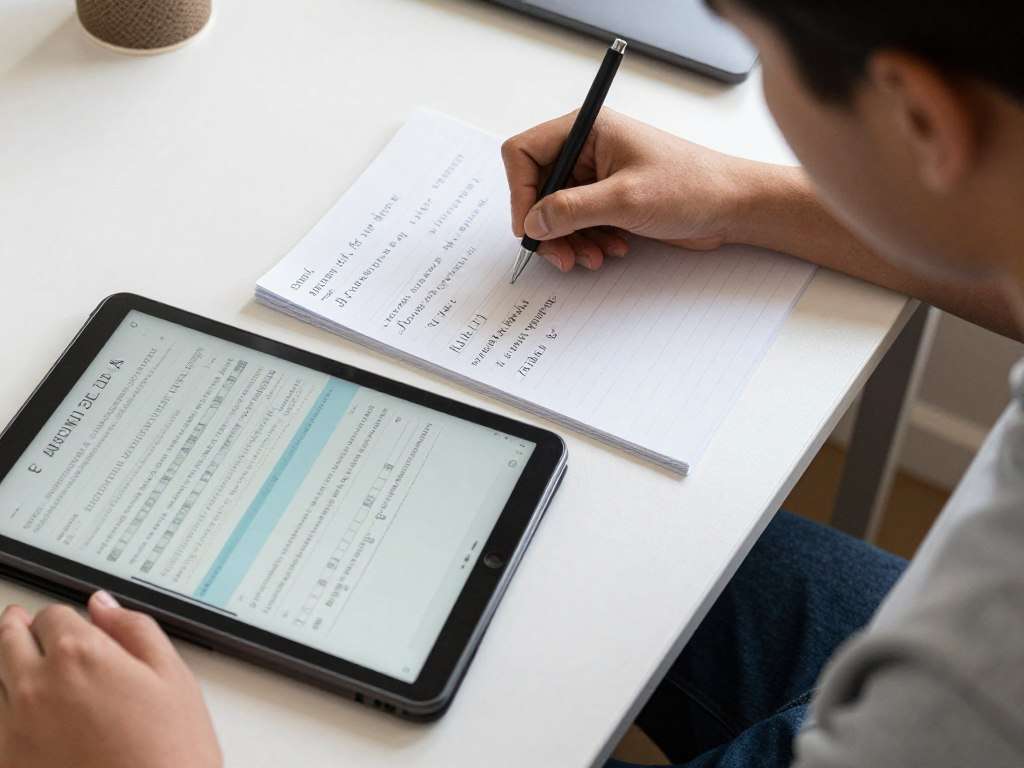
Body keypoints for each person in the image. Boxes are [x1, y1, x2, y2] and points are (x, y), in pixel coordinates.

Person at [2, 1, 1023, 765]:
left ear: (921, 118)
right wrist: (741, 197)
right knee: (627, 553)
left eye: (761, 57)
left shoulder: (955, 702)